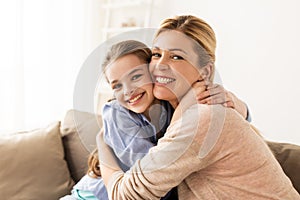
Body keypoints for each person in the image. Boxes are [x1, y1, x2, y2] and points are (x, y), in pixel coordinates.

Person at [97, 15, 300, 199]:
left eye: (176, 57)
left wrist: (102, 147)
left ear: (205, 71)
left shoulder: (202, 118)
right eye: (157, 54)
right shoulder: (181, 112)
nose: (160, 65)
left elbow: (126, 196)